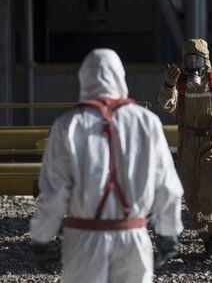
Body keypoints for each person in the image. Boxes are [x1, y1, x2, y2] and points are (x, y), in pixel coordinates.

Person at [30, 49, 183, 283]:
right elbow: (166, 184)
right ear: (120, 76)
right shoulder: (146, 122)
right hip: (133, 237)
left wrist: (42, 236)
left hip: (84, 239)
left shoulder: (68, 125)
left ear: (84, 77)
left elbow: (54, 191)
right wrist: (168, 232)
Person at [156, 39, 212, 259]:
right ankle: (205, 234)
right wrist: (168, 86)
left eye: (198, 59)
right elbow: (166, 106)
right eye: (189, 59)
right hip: (187, 145)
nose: (193, 64)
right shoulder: (179, 83)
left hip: (210, 143)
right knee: (192, 194)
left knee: (210, 189)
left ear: (206, 61)